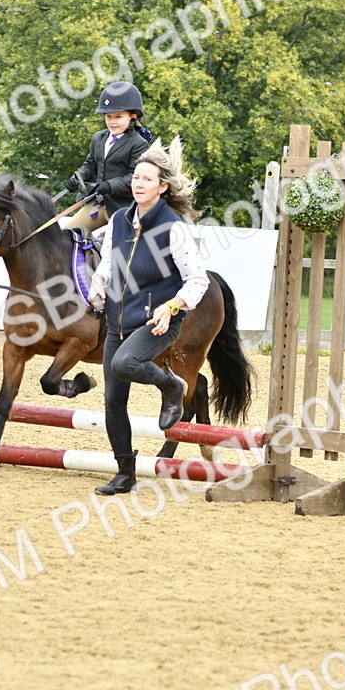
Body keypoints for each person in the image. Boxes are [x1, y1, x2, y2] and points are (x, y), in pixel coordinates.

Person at [88, 137, 209, 496]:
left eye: (147, 179)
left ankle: (172, 385)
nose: (139, 184)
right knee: (113, 400)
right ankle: (125, 472)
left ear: (162, 187)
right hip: (118, 320)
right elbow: (109, 263)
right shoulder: (119, 221)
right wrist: (99, 282)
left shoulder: (173, 228)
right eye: (136, 178)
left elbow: (198, 280)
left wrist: (171, 307)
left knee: (124, 364)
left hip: (159, 322)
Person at [60, 81, 151, 232]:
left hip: (124, 209)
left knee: (119, 244)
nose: (112, 122)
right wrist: (78, 177)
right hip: (99, 204)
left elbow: (134, 178)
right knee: (67, 235)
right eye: (108, 116)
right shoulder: (99, 138)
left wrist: (109, 185)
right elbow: (91, 164)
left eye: (118, 117)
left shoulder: (139, 144)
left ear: (133, 116)